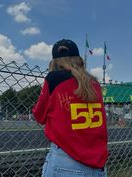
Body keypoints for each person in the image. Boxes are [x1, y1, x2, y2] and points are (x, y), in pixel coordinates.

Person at [32, 39, 108, 177]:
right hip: (98, 165)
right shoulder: (94, 83)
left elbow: (39, 116)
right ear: (79, 60)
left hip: (66, 160)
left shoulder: (53, 79)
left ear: (54, 62)